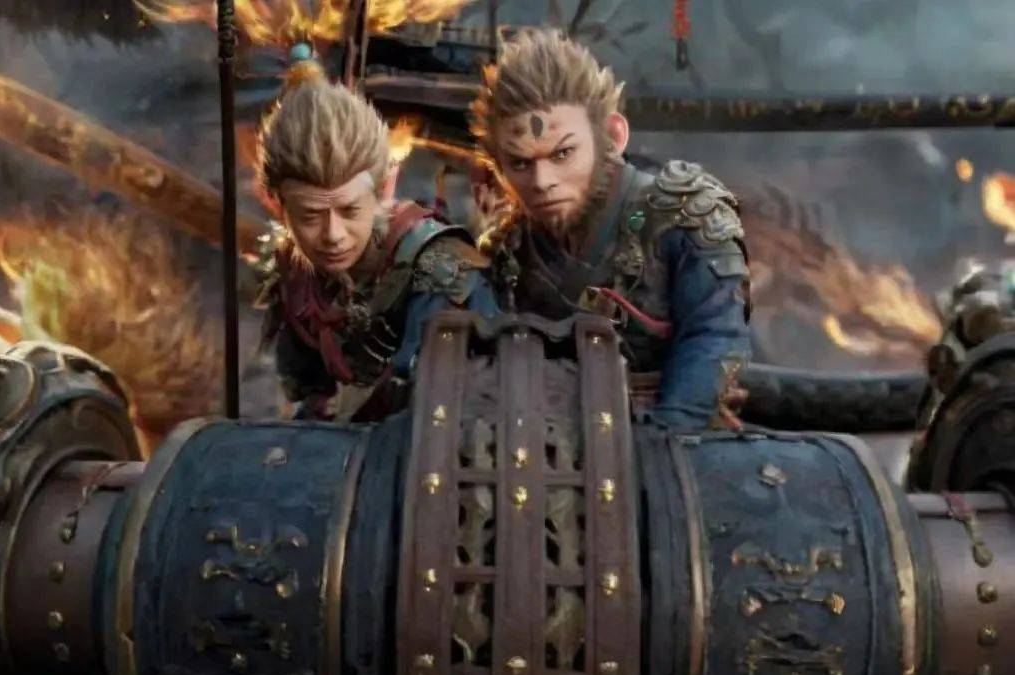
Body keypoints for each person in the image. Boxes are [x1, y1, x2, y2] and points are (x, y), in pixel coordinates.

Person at [470, 29, 751, 429]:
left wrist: (663, 436)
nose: (542, 181)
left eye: (563, 154)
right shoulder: (506, 251)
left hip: (672, 434)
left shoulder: (684, 214)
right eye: (520, 163)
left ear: (613, 136)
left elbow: (714, 337)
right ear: (497, 166)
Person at [256, 65, 497, 421]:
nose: (333, 235)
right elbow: (306, 391)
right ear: (278, 204)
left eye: (350, 210)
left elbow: (446, 407)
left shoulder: (440, 269)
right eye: (310, 216)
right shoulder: (295, 275)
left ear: (383, 188)